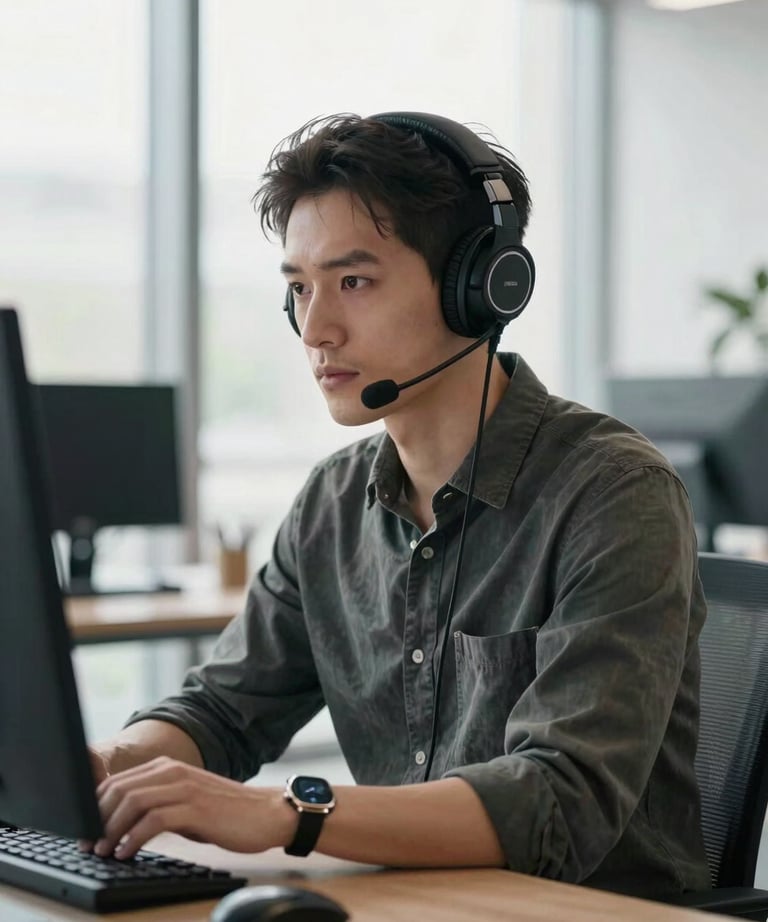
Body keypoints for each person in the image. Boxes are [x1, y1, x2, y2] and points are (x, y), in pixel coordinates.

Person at [85, 111, 711, 897]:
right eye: (299, 290)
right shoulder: (333, 501)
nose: (315, 329)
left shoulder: (612, 494)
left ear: (481, 287)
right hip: (411, 900)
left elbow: (558, 803)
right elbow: (224, 711)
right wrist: (114, 763)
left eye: (353, 282)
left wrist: (291, 814)